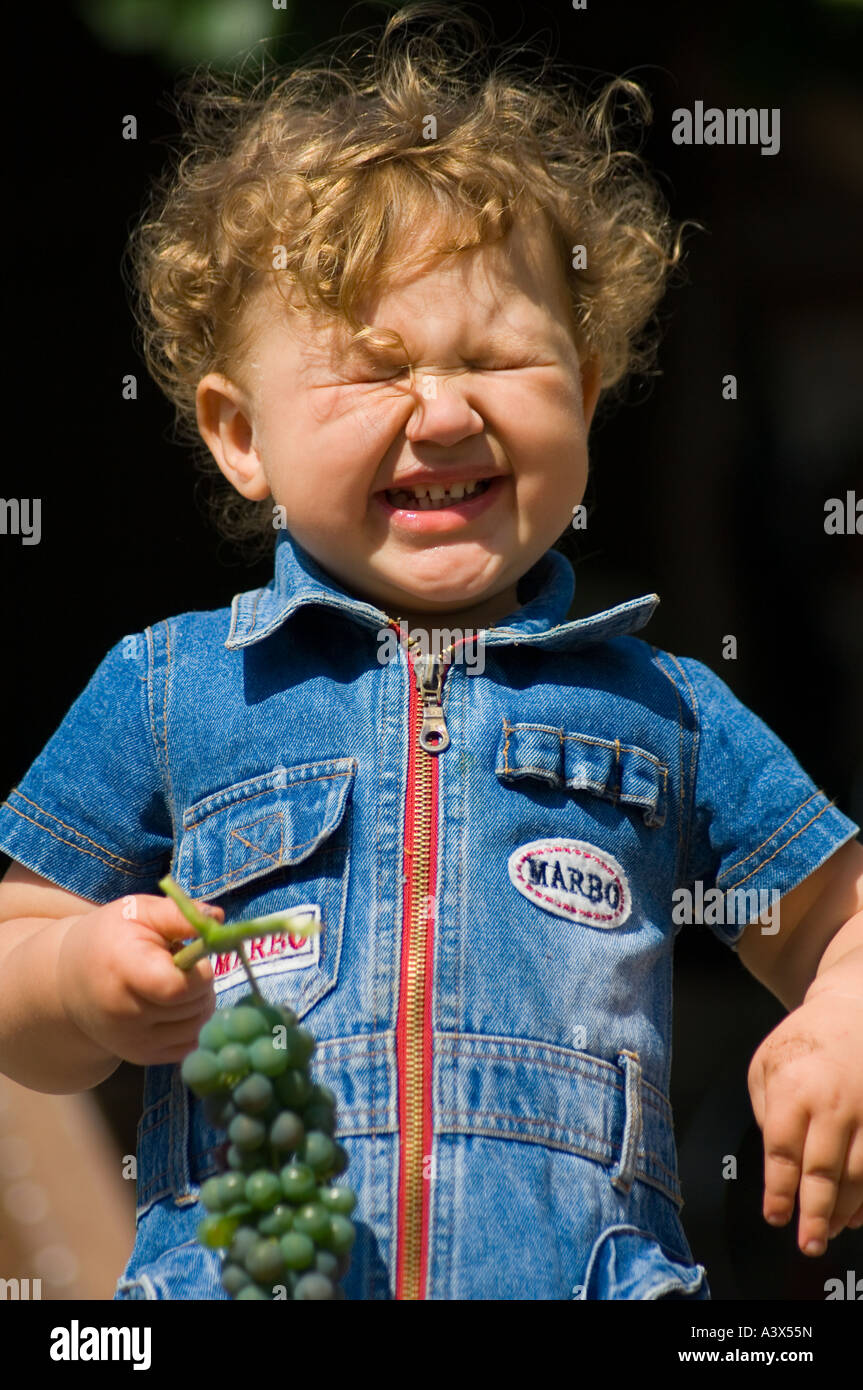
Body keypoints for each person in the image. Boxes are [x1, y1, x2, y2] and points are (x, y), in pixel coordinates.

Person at [0, 3, 860, 1300]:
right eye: (373, 370)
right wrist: (78, 979)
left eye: (504, 357)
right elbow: (18, 947)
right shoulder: (171, 689)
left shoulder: (660, 708)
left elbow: (839, 923)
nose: (446, 407)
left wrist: (848, 1015)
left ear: (586, 380)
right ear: (243, 435)